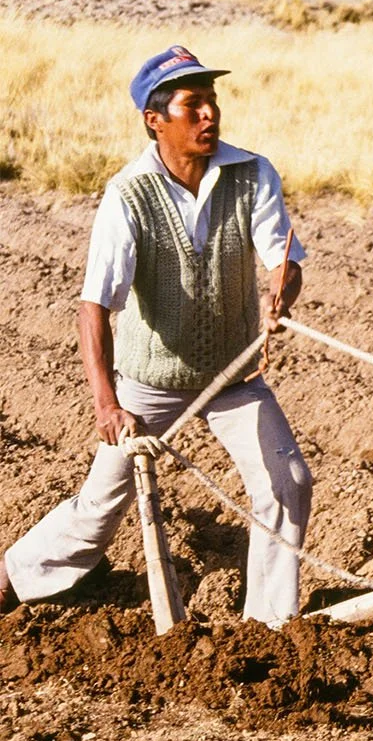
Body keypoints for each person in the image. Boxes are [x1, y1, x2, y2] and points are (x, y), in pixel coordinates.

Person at [0, 45, 310, 625]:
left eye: (212, 102)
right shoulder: (129, 194)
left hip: (234, 377)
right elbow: (94, 306)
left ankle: (269, 625)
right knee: (100, 508)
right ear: (155, 119)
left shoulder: (253, 172)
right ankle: (15, 575)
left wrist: (278, 294)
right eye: (192, 106)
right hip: (151, 380)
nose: (209, 116)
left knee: (288, 482)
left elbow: (282, 258)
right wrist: (106, 402)